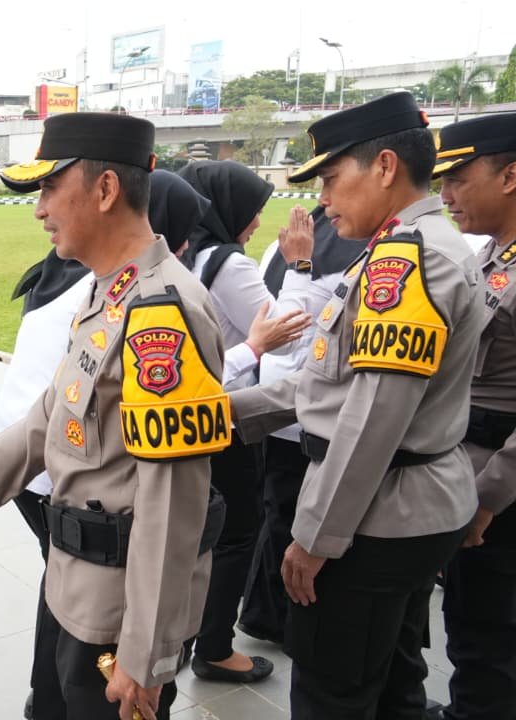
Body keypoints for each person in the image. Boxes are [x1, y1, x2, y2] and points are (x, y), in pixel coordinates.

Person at [0, 112, 227, 720]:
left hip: (120, 616)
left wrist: (146, 654)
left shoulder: (161, 312)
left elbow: (174, 501)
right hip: (74, 583)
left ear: (105, 190)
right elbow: (49, 416)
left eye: (51, 188)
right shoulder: (108, 290)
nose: (40, 210)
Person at [228, 92, 483, 719]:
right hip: (399, 508)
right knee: (393, 679)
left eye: (331, 179)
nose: (322, 200)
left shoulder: (409, 263)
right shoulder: (404, 247)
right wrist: (221, 411)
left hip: (377, 518)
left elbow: (373, 417)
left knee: (332, 692)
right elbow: (325, 384)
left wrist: (315, 536)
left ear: (385, 167)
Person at [174, 160, 322, 684]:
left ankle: (191, 635)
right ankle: (214, 647)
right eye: (253, 211)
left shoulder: (186, 255)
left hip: (194, 413)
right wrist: (300, 267)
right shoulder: (229, 264)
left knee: (203, 530)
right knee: (236, 534)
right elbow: (287, 334)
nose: (258, 222)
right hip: (231, 415)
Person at [237, 207, 366, 645]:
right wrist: (301, 268)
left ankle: (265, 614)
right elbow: (292, 336)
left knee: (277, 511)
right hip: (299, 407)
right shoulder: (334, 265)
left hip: (279, 401)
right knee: (286, 517)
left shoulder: (281, 252)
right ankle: (272, 616)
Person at [434, 112, 516, 720]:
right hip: (467, 466)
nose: (445, 196)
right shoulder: (490, 254)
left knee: (491, 639)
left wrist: (489, 496)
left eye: (458, 179)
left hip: (501, 492)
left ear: (510, 176)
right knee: (468, 626)